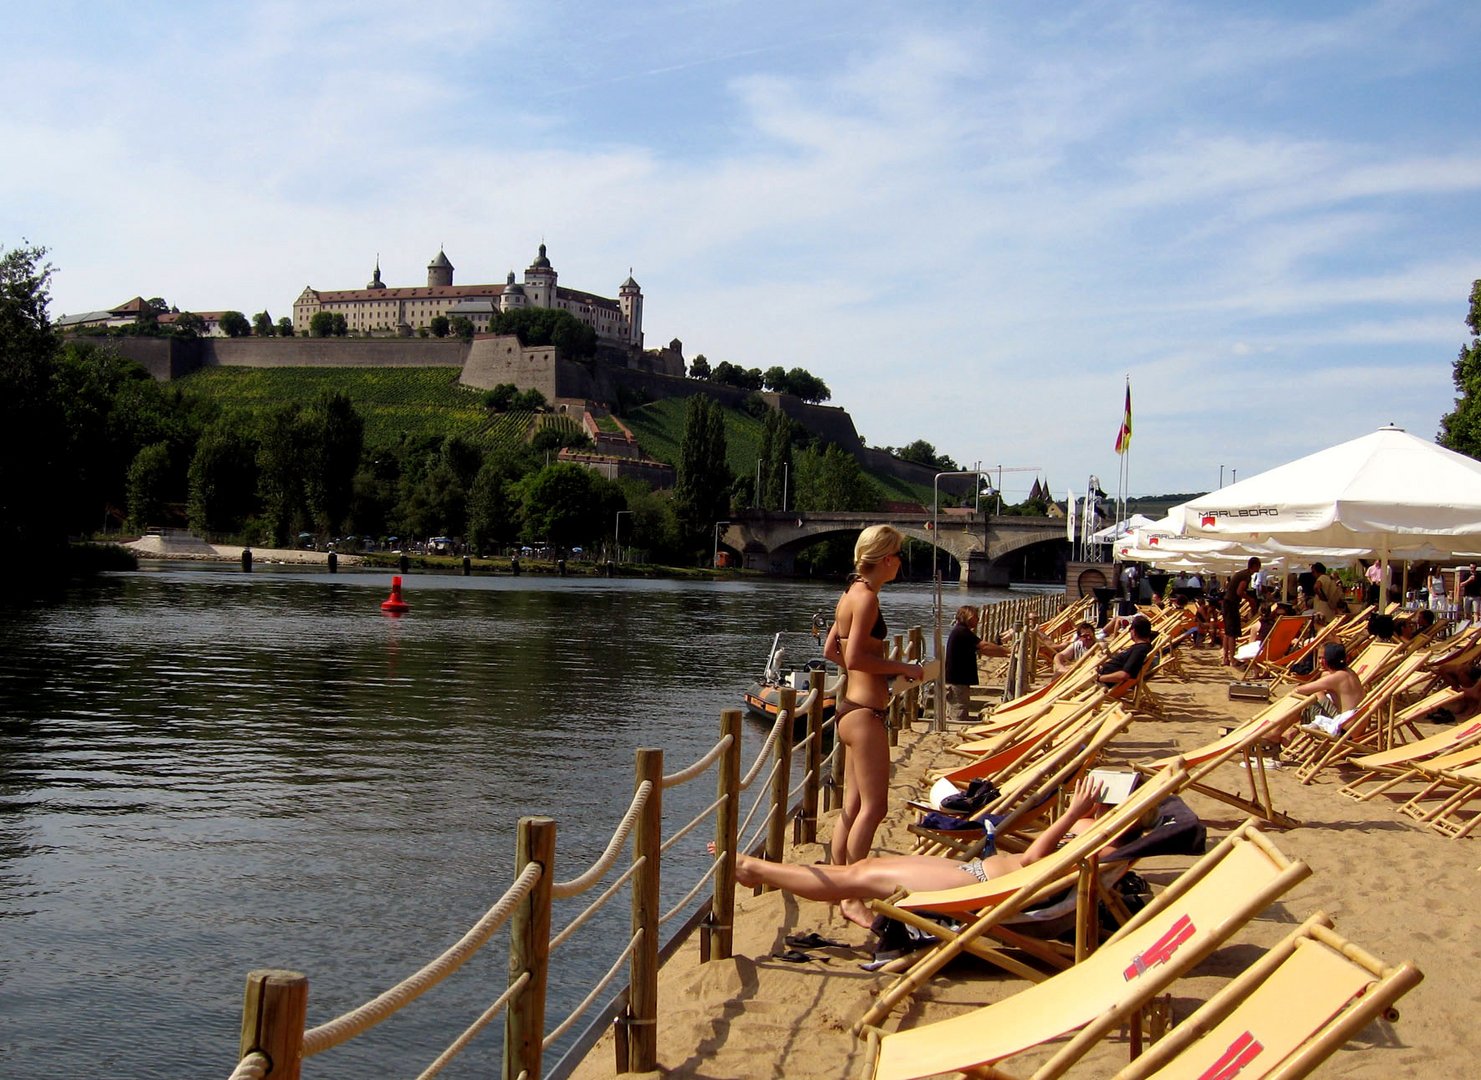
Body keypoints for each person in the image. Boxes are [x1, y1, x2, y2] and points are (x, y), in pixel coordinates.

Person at [711, 778, 1110, 926]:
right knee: (866, 868)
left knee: (860, 877)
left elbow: (1032, 863)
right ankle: (760, 870)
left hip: (979, 888)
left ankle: (756, 869)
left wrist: (1073, 813)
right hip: (974, 876)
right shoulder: (1103, 838)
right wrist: (1083, 817)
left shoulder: (1103, 846)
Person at [822, 525, 925, 926]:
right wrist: (902, 668)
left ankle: (836, 881)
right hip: (866, 714)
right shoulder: (865, 598)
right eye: (899, 554)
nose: (901, 561)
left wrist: (874, 673)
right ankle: (853, 896)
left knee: (851, 807)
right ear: (885, 559)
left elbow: (834, 649)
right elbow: (858, 660)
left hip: (850, 708)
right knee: (875, 806)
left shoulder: (851, 593)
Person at [944, 606, 1004, 723]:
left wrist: (1004, 653)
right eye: (976, 617)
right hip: (957, 679)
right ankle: (958, 726)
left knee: (961, 705)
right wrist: (1007, 651)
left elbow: (984, 649)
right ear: (969, 617)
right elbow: (984, 646)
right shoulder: (962, 632)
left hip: (960, 678)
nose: (978, 620)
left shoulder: (962, 631)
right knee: (958, 709)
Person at [1290, 642, 1364, 738]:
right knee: (1318, 693)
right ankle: (1291, 732)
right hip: (1357, 724)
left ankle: (1288, 732)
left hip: (1345, 730)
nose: (1320, 661)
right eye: (1319, 658)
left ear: (1330, 659)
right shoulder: (1349, 672)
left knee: (1314, 696)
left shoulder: (1337, 677)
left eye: (1322, 658)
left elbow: (1299, 690)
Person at [1096, 614, 1155, 688]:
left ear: (1134, 632)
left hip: (1103, 683)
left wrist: (1099, 678)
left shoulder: (1140, 650)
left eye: (1130, 630)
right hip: (1101, 674)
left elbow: (1123, 675)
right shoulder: (1141, 647)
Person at [1222, 557, 1261, 666]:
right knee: (1232, 633)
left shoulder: (1242, 573)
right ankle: (1232, 659)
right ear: (1254, 566)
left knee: (1227, 632)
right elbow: (1239, 591)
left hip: (1227, 603)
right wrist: (1250, 599)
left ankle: (1225, 658)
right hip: (1231, 603)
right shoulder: (1246, 576)